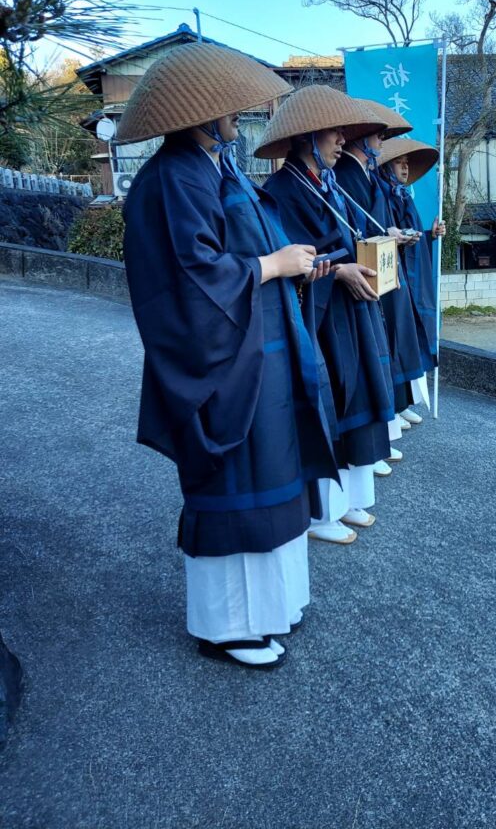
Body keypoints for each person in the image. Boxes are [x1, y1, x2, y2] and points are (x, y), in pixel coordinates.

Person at [119, 42, 338, 669]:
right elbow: (192, 280)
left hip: (258, 353)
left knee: (272, 471)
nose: (239, 116)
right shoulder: (173, 177)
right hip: (223, 363)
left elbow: (247, 252)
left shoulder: (218, 168)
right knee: (237, 479)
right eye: (230, 109)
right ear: (200, 114)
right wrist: (271, 265)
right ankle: (227, 627)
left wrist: (296, 265)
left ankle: (274, 606)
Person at [257, 85, 396, 543]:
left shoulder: (329, 186)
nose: (342, 140)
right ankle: (322, 513)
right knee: (329, 399)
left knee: (357, 395)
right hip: (317, 313)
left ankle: (350, 498)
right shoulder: (280, 190)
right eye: (334, 132)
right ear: (306, 137)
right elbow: (291, 258)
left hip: (348, 309)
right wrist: (337, 271)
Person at [334, 102, 427, 459]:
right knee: (371, 354)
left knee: (389, 344)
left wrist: (394, 235)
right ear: (361, 138)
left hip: (380, 268)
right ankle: (371, 443)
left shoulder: (363, 175)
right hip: (358, 274)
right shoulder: (345, 175)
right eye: (378, 136)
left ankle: (390, 418)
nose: (381, 144)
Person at [377, 138, 446, 421]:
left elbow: (412, 234)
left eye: (407, 163)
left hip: (410, 276)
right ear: (386, 166)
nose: (405, 168)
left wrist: (430, 235)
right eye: (399, 162)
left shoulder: (403, 195)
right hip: (394, 276)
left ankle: (404, 403)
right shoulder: (382, 195)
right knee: (396, 339)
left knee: (410, 339)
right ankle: (395, 405)